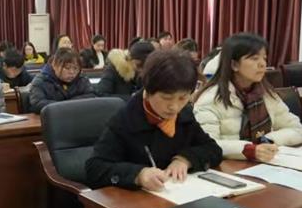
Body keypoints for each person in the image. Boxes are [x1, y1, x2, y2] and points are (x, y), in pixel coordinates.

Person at [86, 50, 222, 191]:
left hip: (177, 193)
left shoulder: (184, 115)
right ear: (148, 91)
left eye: (183, 98)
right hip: (135, 199)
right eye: (166, 98)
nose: (174, 107)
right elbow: (95, 168)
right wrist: (138, 174)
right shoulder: (125, 120)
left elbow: (213, 149)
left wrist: (185, 159)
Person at [194, 33, 302, 161]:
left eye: (264, 58)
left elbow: (298, 130)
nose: (262, 64)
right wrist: (249, 150)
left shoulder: (266, 94)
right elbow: (207, 145)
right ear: (234, 65)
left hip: (262, 163)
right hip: (228, 166)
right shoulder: (211, 99)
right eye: (254, 58)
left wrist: (267, 141)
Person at [29, 48, 95, 114]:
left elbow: (92, 95)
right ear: (54, 65)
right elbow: (37, 104)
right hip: (53, 117)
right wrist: (66, 106)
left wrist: (68, 104)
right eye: (67, 68)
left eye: (75, 68)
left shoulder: (81, 78)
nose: (72, 72)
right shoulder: (41, 81)